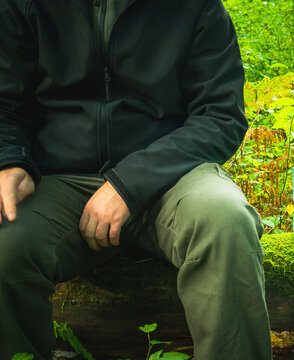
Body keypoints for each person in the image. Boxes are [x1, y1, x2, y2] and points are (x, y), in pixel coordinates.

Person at [0, 0, 273, 359]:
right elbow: (6, 105)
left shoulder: (196, 7)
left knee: (226, 221)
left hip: (173, 175)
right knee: (5, 247)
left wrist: (128, 184)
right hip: (62, 178)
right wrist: (11, 161)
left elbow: (220, 115)